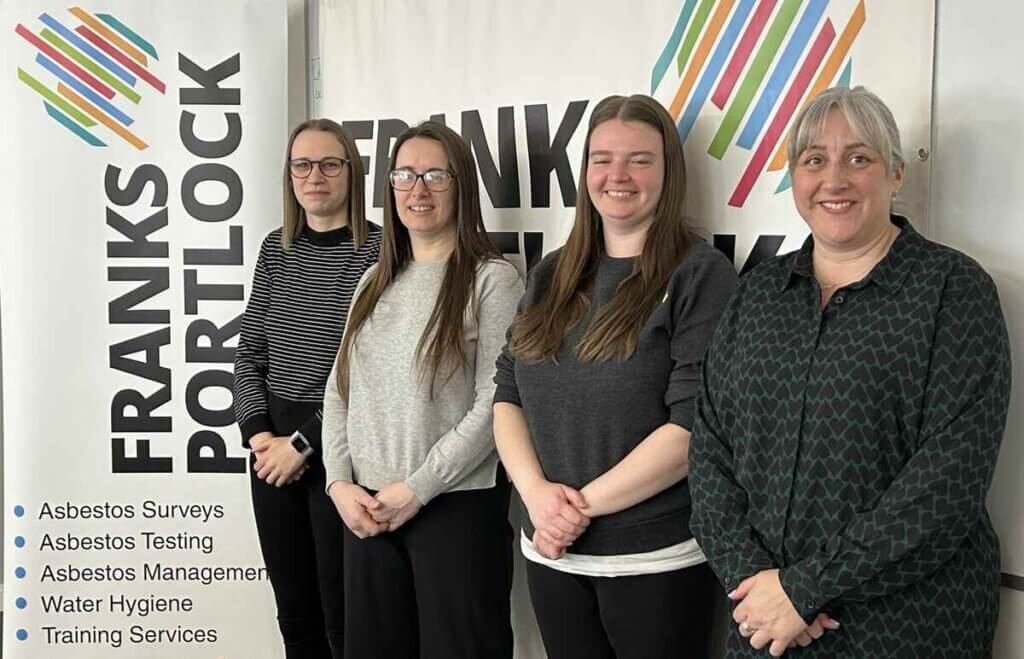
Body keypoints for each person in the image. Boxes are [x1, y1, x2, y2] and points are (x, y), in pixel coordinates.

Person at [690, 85, 1011, 658]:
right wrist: (757, 584)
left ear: (894, 174)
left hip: (905, 628)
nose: (834, 179)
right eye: (815, 159)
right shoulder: (757, 294)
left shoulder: (953, 291)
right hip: (764, 622)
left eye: (857, 158)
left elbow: (946, 487)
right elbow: (711, 449)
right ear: (795, 176)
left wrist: (804, 590)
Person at [492, 94, 738, 659]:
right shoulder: (552, 272)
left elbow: (694, 430)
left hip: (654, 562)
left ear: (668, 171)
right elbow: (507, 395)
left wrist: (573, 509)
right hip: (553, 555)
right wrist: (535, 497)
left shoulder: (701, 275)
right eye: (602, 158)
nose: (617, 175)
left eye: (640, 160)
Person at [321, 121, 523, 659]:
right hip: (366, 513)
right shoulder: (375, 280)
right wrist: (339, 483)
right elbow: (339, 390)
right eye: (405, 175)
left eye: (436, 174)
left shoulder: (492, 280)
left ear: (461, 185)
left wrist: (418, 487)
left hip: (453, 510)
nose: (418, 189)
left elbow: (497, 404)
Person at [233, 119, 381, 659]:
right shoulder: (276, 249)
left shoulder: (379, 252)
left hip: (341, 454)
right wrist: (260, 437)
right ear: (289, 175)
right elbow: (249, 352)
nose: (313, 176)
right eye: (302, 164)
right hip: (269, 454)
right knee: (295, 619)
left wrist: (301, 445)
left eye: (328, 164)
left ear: (351, 172)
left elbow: (369, 375)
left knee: (343, 621)